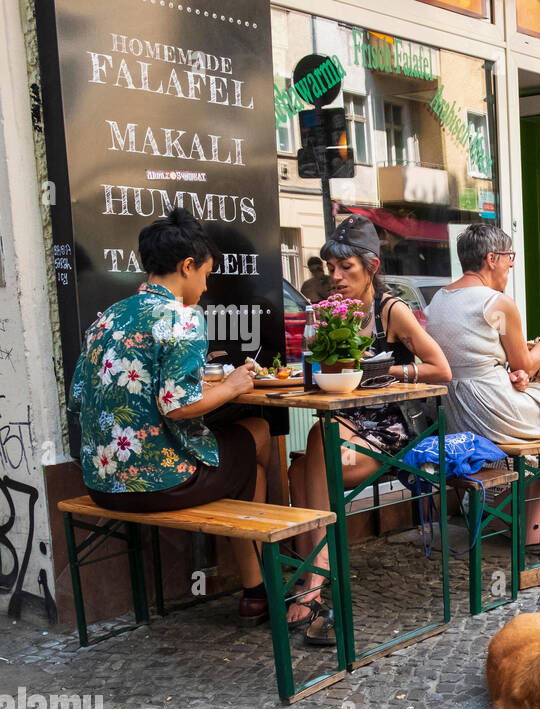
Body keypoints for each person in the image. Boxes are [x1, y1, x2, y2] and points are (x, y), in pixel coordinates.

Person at [69, 209, 273, 626]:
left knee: (239, 458)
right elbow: (176, 406)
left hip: (100, 485)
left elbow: (77, 396)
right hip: (160, 485)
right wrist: (233, 386)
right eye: (205, 274)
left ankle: (258, 589)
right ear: (187, 266)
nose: (206, 284)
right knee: (258, 434)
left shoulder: (108, 317)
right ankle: (261, 585)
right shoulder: (181, 317)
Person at [286, 216, 456, 643]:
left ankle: (313, 582)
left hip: (395, 424)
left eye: (346, 269)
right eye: (330, 269)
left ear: (372, 267)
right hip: (351, 420)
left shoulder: (391, 310)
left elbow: (442, 370)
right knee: (307, 453)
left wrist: (381, 369)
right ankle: (316, 577)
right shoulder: (334, 312)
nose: (335, 278)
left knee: (316, 454)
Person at [423, 222, 540, 552]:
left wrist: (512, 372)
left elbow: (474, 354)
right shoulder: (497, 303)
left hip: (452, 412)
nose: (512, 264)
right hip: (488, 412)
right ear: (491, 258)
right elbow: (526, 364)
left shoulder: (438, 301)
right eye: (509, 257)